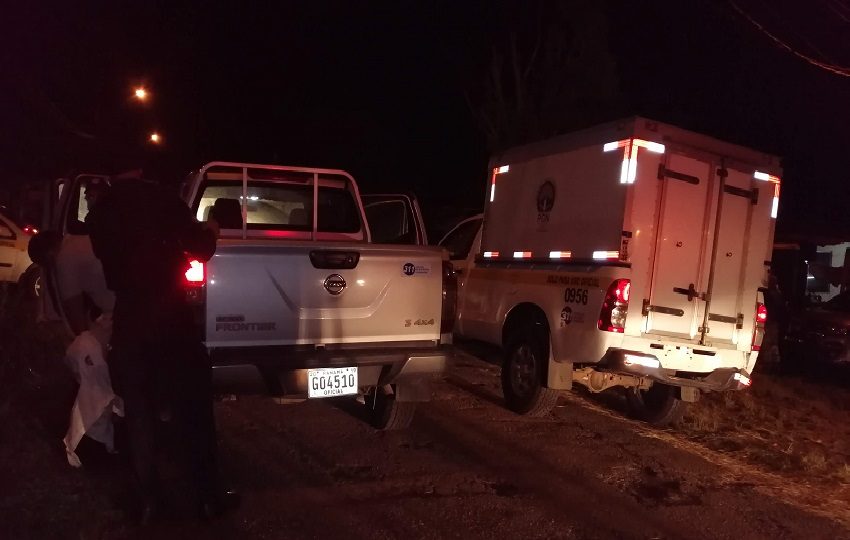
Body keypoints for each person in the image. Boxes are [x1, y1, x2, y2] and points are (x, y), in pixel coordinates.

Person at [86, 175, 234, 523]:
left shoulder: (101, 212)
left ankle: (148, 502)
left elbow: (111, 262)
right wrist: (212, 228)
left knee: (138, 414)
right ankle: (207, 498)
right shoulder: (161, 198)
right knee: (192, 409)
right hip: (170, 317)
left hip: (130, 319)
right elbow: (201, 247)